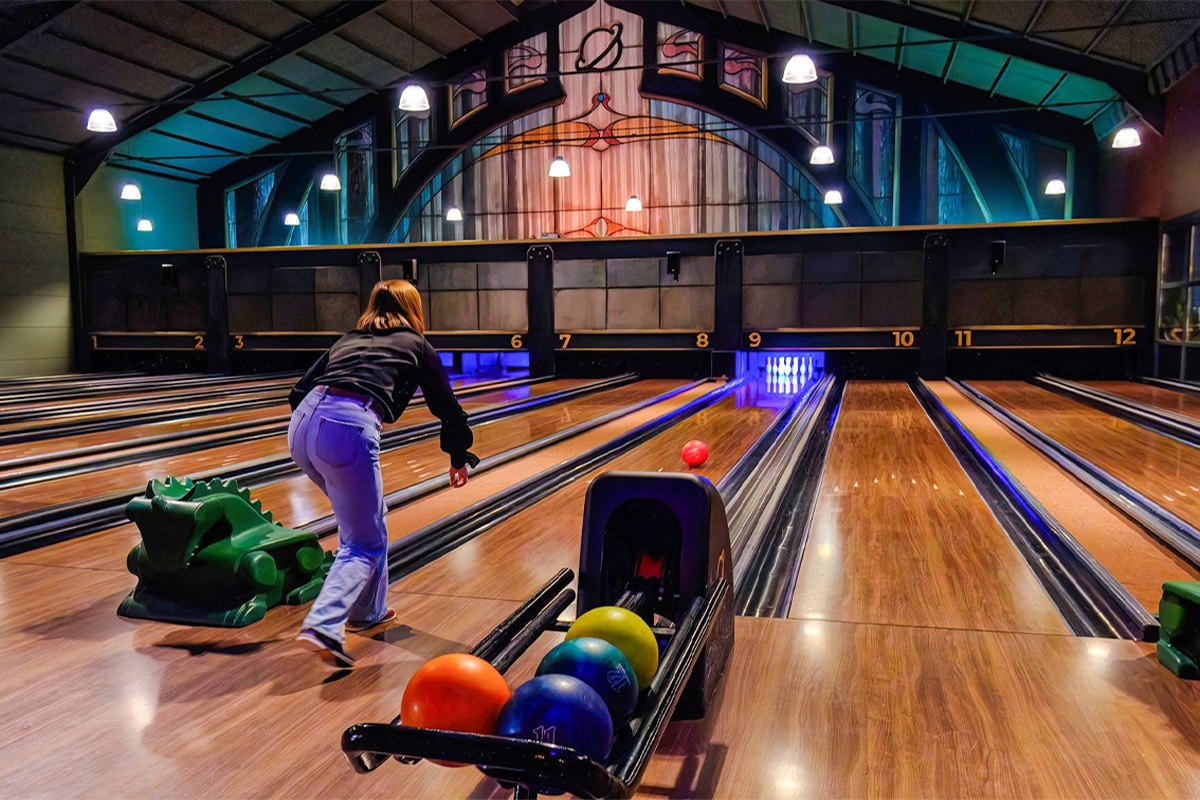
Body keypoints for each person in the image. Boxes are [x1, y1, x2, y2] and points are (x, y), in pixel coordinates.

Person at [289, 279, 478, 668]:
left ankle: (367, 612)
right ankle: (324, 624)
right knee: (364, 543)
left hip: (302, 424)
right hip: (347, 427)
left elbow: (298, 391)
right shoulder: (416, 344)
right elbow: (447, 407)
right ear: (414, 309)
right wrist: (458, 456)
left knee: (365, 521)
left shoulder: (348, 339)